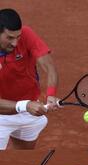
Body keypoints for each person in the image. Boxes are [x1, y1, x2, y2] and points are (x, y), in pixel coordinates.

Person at [0, 8, 59, 150]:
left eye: (18, 37)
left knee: (23, 156)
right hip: (2, 114)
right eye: (9, 38)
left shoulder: (27, 34)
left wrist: (51, 94)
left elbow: (49, 68)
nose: (15, 43)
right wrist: (24, 105)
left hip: (30, 111)